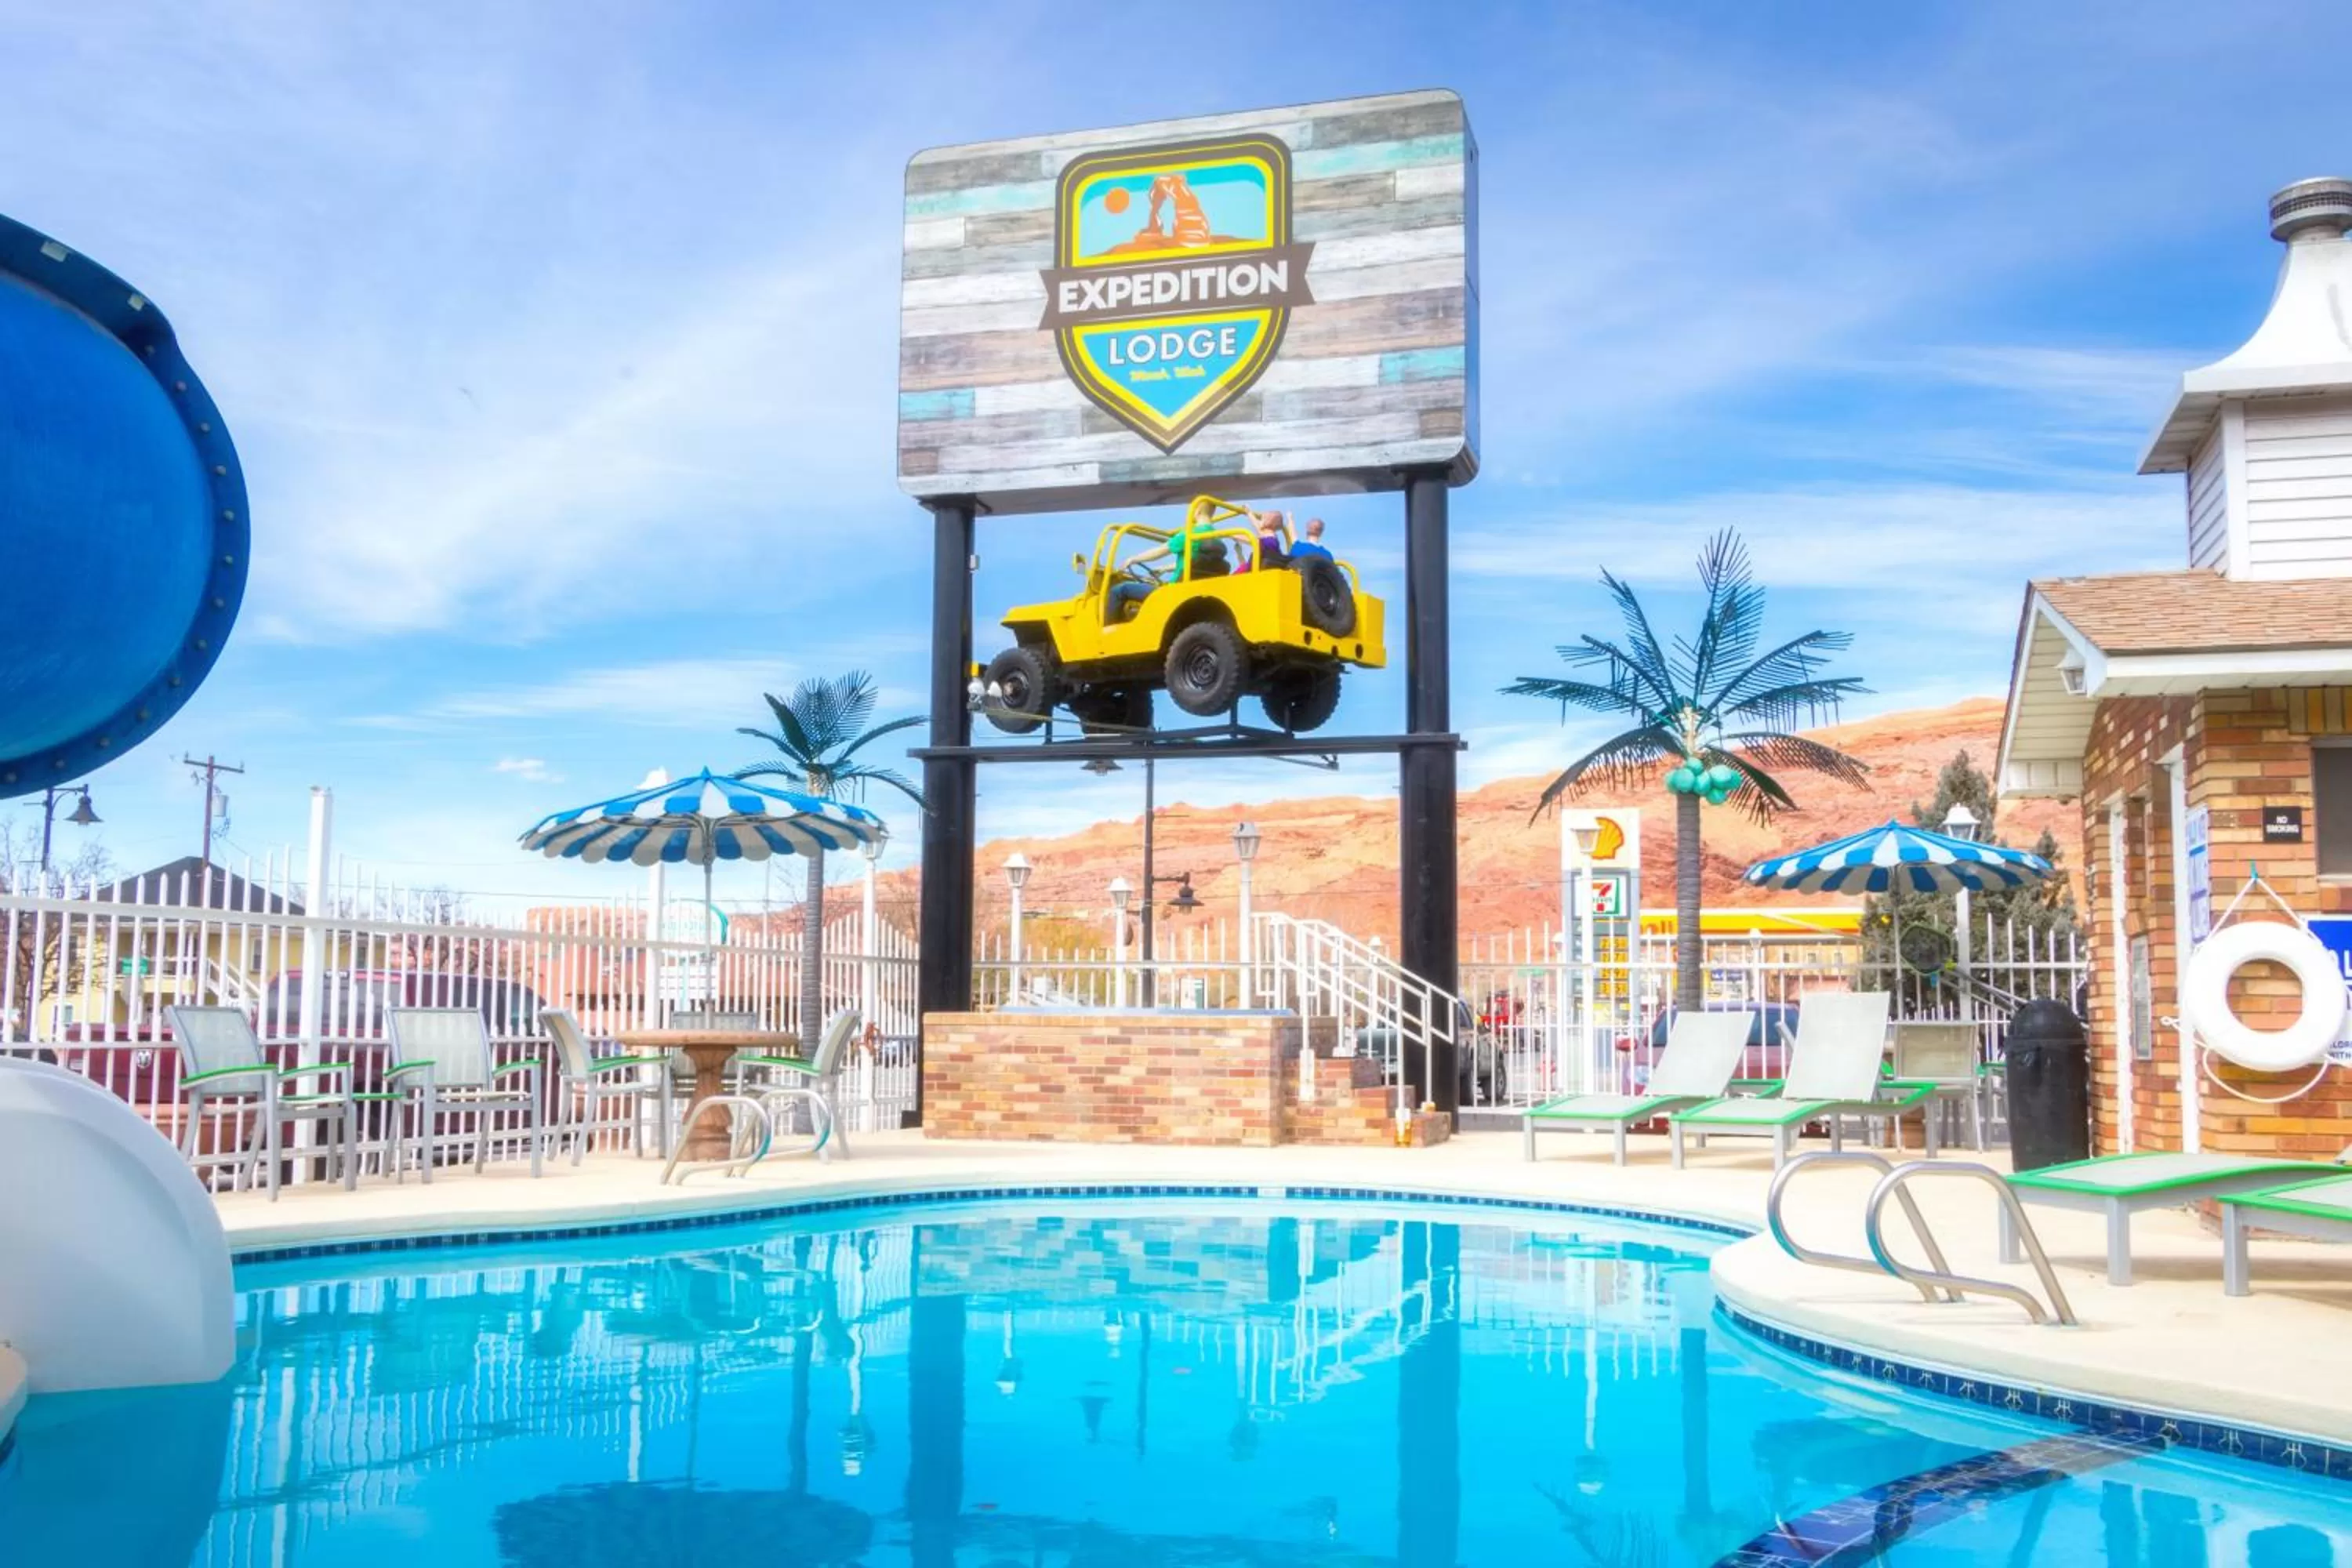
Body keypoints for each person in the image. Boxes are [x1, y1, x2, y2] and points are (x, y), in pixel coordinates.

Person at [1105, 510, 1225, 622]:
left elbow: (1161, 550)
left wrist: (1133, 559)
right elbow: (1195, 563)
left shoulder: (1190, 534)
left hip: (1173, 593)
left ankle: (1107, 636)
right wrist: (1165, 568)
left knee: (1119, 590)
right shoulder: (1216, 538)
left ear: (1197, 511)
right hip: (1195, 592)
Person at [1235, 509, 1290, 573]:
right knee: (1243, 566)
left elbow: (1257, 528)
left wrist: (1249, 513)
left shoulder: (1268, 537)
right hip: (1264, 563)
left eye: (1261, 520)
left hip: (1259, 566)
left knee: (1242, 569)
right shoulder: (1271, 537)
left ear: (1267, 523)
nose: (1259, 521)